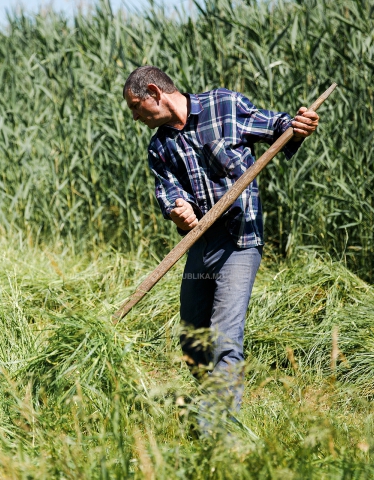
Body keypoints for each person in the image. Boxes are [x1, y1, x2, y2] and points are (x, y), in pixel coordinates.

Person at [123, 66, 319, 415]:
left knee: (224, 337)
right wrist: (177, 209)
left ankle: (222, 429)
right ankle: (220, 398)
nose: (136, 117)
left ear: (155, 92)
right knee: (192, 342)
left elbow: (278, 127)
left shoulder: (223, 105)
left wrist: (299, 127)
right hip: (200, 245)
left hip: (241, 242)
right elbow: (168, 191)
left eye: (137, 107)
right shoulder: (160, 146)